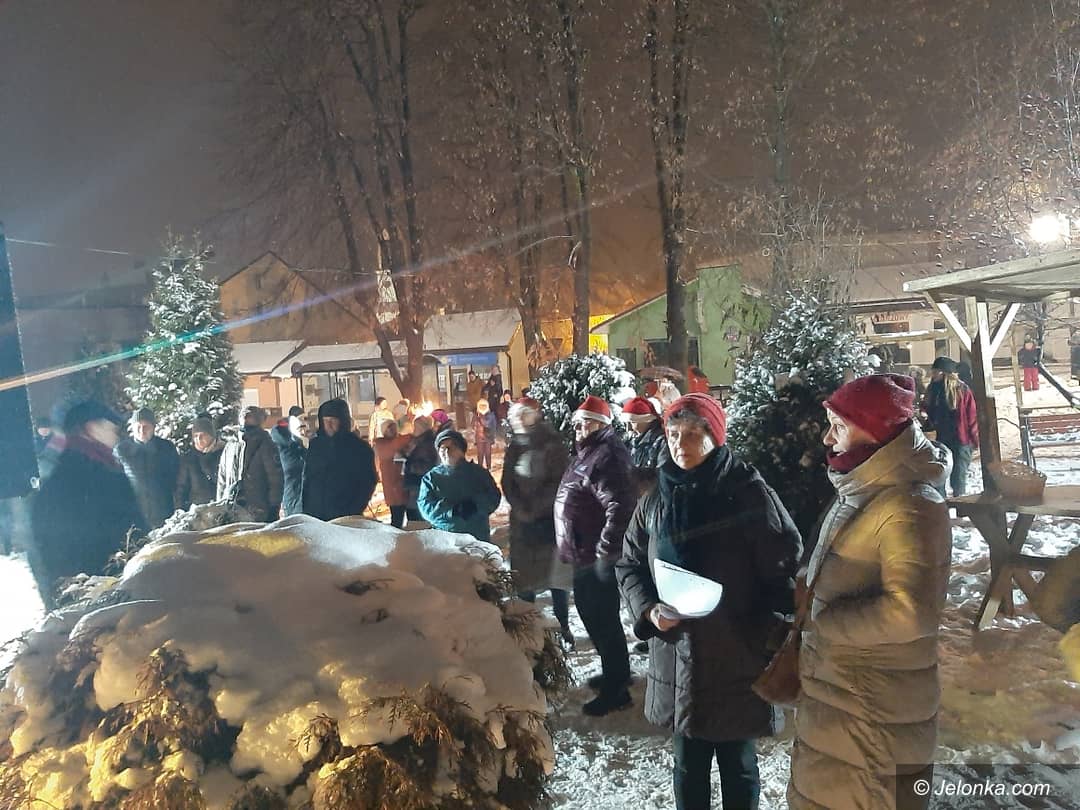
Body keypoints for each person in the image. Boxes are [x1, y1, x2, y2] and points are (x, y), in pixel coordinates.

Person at [617, 393, 802, 810]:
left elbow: (783, 567)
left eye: (692, 434)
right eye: (673, 434)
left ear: (715, 437)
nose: (680, 444)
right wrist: (648, 608)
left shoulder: (748, 493)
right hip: (677, 655)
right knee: (687, 766)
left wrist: (760, 629)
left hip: (736, 656)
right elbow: (630, 564)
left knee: (738, 764)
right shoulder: (655, 499)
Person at [788, 374, 952, 810]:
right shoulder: (863, 489)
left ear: (875, 431)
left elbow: (910, 613)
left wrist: (826, 622)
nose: (828, 438)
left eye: (838, 427)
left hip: (873, 713)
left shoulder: (908, 505)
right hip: (848, 700)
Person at [554, 395, 635, 717]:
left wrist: (606, 552)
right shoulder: (589, 451)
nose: (579, 427)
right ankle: (616, 671)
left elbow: (620, 507)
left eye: (586, 422)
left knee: (602, 619)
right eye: (577, 422)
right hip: (584, 552)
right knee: (596, 617)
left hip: (596, 555)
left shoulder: (606, 456)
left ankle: (617, 689)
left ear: (602, 424)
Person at [29, 401, 144, 608]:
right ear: (91, 429)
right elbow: (132, 532)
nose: (116, 435)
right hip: (111, 593)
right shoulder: (105, 477)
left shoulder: (56, 477)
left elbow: (42, 553)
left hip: (81, 596)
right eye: (110, 428)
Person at [502, 397, 574, 645]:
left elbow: (559, 482)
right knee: (524, 577)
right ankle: (528, 627)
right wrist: (519, 506)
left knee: (555, 578)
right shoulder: (515, 445)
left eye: (523, 414)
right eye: (515, 416)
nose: (519, 420)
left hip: (547, 521)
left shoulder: (551, 444)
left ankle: (562, 626)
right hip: (522, 524)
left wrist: (535, 508)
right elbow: (507, 480)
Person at [418, 429, 501, 542]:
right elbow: (425, 507)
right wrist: (450, 511)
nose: (447, 451)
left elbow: (493, 496)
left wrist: (475, 506)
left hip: (477, 536)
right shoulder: (431, 478)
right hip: (447, 539)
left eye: (451, 447)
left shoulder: (478, 473)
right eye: (442, 448)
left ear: (461, 450)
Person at [302, 398, 378, 521]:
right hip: (315, 514)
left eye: (333, 420)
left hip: (344, 514)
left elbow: (368, 481)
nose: (328, 425)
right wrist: (307, 508)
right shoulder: (316, 445)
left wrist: (354, 509)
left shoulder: (359, 448)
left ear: (343, 421)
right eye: (325, 421)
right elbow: (308, 478)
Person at [115, 407, 180, 530]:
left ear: (153, 427)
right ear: (132, 428)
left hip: (163, 511)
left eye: (146, 427)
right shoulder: (122, 450)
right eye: (138, 427)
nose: (142, 430)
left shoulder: (166, 448)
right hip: (135, 514)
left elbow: (176, 478)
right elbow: (117, 482)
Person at [923, 356, 979, 496]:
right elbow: (929, 410)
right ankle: (941, 504)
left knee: (958, 477)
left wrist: (974, 439)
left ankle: (960, 504)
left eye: (935, 371)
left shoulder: (962, 390)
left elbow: (972, 416)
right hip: (940, 438)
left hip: (960, 440)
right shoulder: (932, 389)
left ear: (944, 373)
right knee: (938, 475)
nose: (932, 374)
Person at [217, 405, 284, 522]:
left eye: (249, 415)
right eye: (244, 415)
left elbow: (275, 479)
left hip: (257, 510)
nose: (246, 418)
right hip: (232, 508)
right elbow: (222, 478)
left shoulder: (266, 444)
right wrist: (220, 503)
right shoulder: (231, 445)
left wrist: (274, 507)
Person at [621, 396, 670, 497]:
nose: (628, 428)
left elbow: (662, 475)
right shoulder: (630, 441)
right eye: (626, 423)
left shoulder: (661, 442)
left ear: (647, 420)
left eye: (632, 422)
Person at [174, 414, 225, 511]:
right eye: (195, 436)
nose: (199, 439)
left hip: (221, 508)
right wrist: (180, 509)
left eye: (202, 435)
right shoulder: (189, 458)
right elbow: (181, 487)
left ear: (211, 436)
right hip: (198, 511)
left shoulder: (224, 453)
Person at [373, 419, 411, 528]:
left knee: (412, 518)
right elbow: (392, 447)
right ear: (384, 431)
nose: (392, 430)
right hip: (392, 485)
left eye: (394, 427)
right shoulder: (381, 444)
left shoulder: (402, 442)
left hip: (405, 483)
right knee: (397, 517)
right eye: (389, 428)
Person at [403, 415, 439, 522]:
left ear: (421, 428)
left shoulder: (427, 443)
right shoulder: (420, 441)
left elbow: (429, 465)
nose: (414, 429)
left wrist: (412, 466)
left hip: (419, 483)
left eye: (416, 427)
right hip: (417, 483)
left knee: (417, 515)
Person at [271, 410, 307, 517]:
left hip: (305, 499)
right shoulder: (284, 450)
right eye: (301, 428)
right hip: (292, 499)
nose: (304, 432)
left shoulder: (306, 447)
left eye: (305, 428)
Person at [474, 398, 497, 470]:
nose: (483, 407)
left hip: (488, 437)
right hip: (479, 437)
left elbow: (493, 426)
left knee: (488, 453)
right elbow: (472, 425)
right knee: (480, 453)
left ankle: (489, 467)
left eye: (484, 406)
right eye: (481, 406)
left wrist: (492, 436)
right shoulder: (476, 415)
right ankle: (479, 468)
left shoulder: (491, 415)